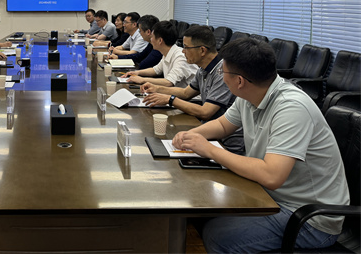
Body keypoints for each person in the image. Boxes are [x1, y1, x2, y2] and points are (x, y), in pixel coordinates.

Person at [173, 38, 349, 252]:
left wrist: (209, 149)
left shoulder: (292, 108)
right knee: (199, 208)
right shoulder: (250, 93)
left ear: (239, 81)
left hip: (309, 219)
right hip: (270, 196)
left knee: (219, 236)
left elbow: (271, 176)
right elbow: (223, 125)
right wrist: (190, 135)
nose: (221, 75)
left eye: (223, 72)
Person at [142, 25, 235, 122]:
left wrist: (170, 99)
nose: (183, 51)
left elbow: (206, 112)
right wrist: (157, 88)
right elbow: (186, 93)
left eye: (186, 47)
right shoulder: (202, 69)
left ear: (202, 50)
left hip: (221, 129)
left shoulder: (223, 72)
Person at [123, 20, 197, 88]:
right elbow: (156, 70)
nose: (151, 39)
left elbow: (169, 82)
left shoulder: (181, 57)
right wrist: (137, 72)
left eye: (152, 36)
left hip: (188, 97)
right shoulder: (167, 52)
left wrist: (142, 80)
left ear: (160, 40)